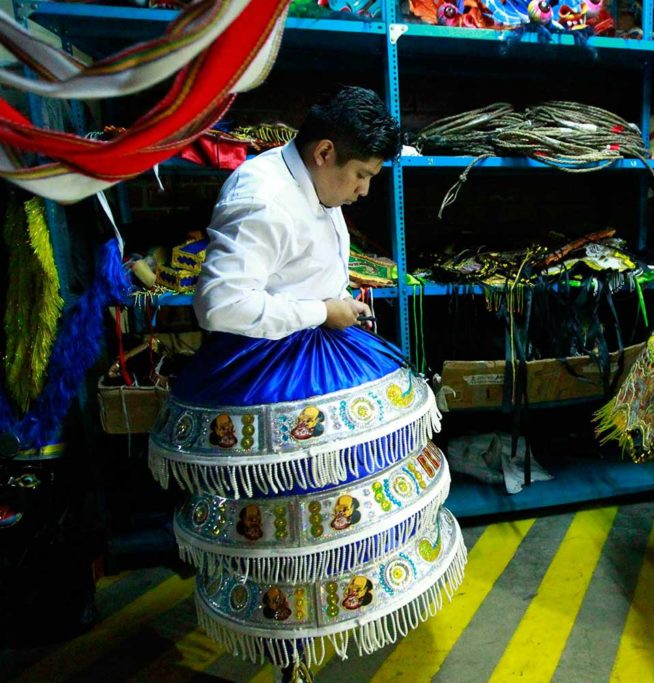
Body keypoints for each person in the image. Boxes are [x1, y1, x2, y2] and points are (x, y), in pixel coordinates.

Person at [148, 87, 465, 682]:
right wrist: (321, 311)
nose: (365, 191)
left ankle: (323, 617)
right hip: (269, 371)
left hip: (318, 346)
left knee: (339, 501)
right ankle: (290, 644)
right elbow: (220, 305)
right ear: (324, 151)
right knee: (285, 516)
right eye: (362, 176)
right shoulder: (262, 197)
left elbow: (304, 265)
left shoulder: (313, 183)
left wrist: (335, 304)